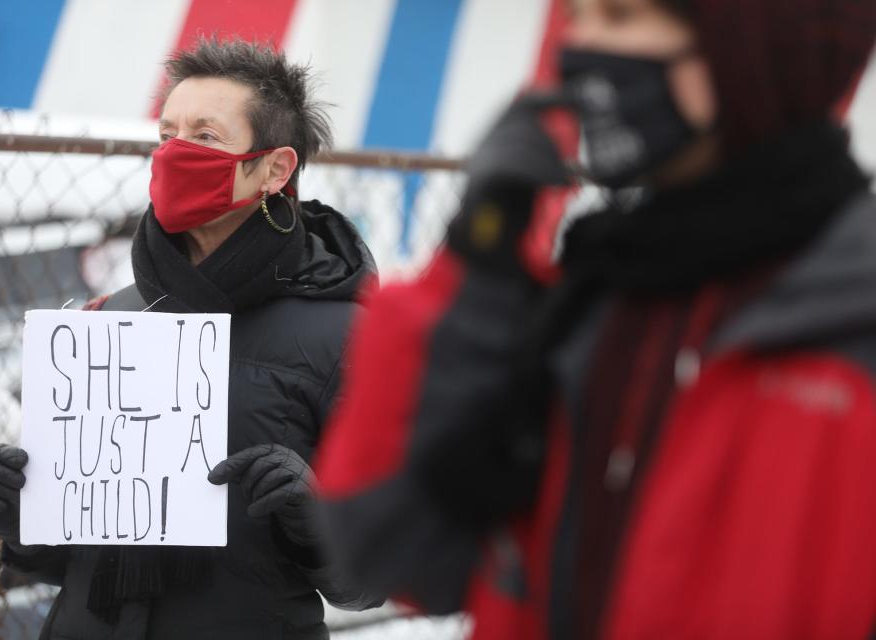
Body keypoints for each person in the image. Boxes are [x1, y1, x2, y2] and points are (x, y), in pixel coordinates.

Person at [315, 0, 876, 638]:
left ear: (747, 49)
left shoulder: (850, 320)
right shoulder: (596, 297)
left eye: (617, 17)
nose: (578, 48)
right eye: (576, 18)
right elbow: (395, 552)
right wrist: (477, 267)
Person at [0, 37, 380, 639]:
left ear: (274, 168)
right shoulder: (105, 320)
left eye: (206, 137)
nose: (176, 153)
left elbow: (370, 577)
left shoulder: (348, 336)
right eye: (167, 135)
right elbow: (70, 559)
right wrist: (19, 518)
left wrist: (314, 518)